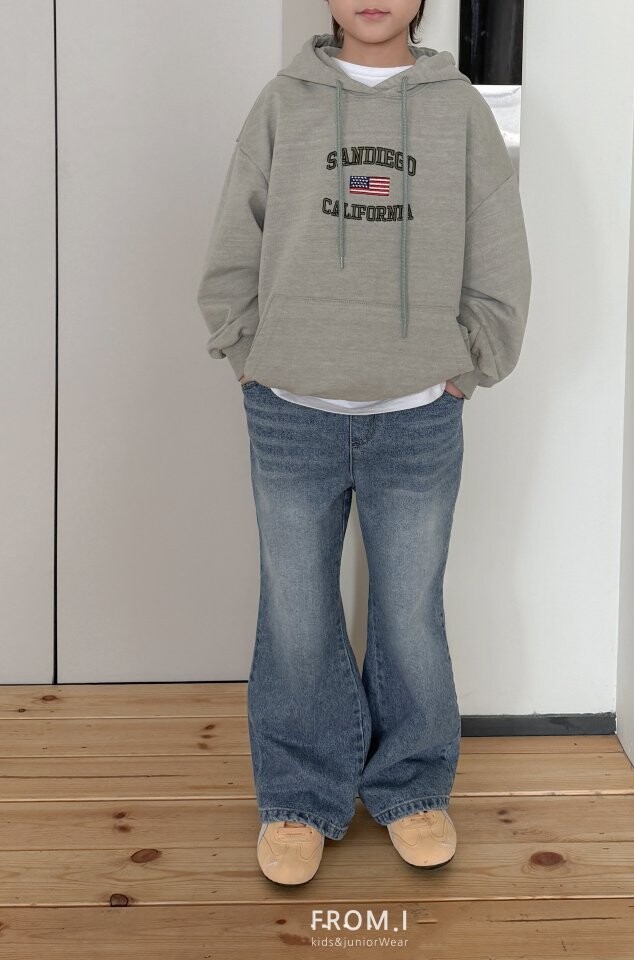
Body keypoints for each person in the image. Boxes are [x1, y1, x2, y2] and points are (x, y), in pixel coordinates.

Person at [196, 0, 531, 886]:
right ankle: (299, 798)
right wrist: (246, 351)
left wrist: (470, 362)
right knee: (296, 612)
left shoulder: (457, 110)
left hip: (418, 414)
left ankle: (412, 786)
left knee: (410, 611)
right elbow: (235, 238)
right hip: (290, 411)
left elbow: (499, 250)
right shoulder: (283, 102)